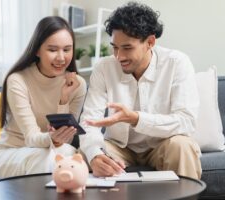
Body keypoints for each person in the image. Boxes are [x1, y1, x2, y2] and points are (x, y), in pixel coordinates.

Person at [79, 2, 202, 180]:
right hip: (119, 148)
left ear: (150, 42)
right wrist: (95, 155)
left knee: (182, 146)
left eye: (127, 47)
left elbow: (186, 121)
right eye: (115, 47)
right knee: (83, 156)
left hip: (162, 145)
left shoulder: (177, 63)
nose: (119, 56)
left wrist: (136, 118)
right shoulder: (104, 67)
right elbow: (89, 121)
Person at [0, 16, 87, 178]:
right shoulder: (18, 80)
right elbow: (31, 138)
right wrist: (54, 139)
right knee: (46, 160)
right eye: (52, 49)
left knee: (78, 160)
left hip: (52, 149)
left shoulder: (77, 84)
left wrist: (63, 99)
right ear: (37, 50)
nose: (61, 58)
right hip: (14, 151)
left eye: (67, 49)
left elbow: (66, 139)